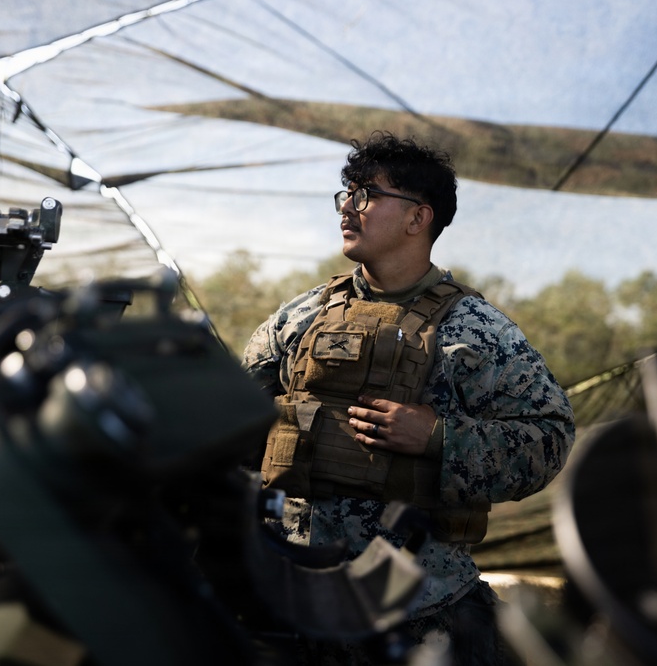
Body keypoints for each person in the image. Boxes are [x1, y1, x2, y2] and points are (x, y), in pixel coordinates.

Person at [242, 131, 575, 664]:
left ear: (418, 218)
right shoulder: (299, 318)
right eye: (346, 194)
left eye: (367, 195)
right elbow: (231, 422)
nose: (347, 207)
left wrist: (439, 437)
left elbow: (550, 437)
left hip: (421, 617)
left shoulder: (477, 331)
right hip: (295, 608)